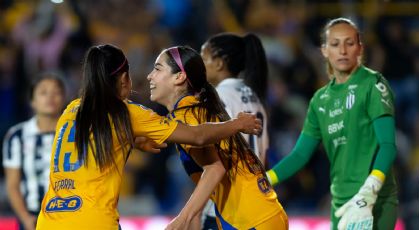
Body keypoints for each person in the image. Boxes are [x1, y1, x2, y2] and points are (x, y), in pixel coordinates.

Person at [35, 44, 261, 230]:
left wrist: (131, 140)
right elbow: (198, 136)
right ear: (124, 79)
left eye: (157, 69)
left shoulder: (71, 110)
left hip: (48, 221)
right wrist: (237, 123)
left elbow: (87, 145)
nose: (149, 76)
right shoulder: (127, 112)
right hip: (93, 220)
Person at [266, 17, 398, 230]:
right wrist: (266, 179)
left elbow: (388, 146)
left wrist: (370, 189)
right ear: (325, 50)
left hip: (374, 201)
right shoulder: (320, 100)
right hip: (341, 204)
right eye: (335, 44)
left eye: (350, 43)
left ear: (360, 48)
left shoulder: (373, 85)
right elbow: (300, 154)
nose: (343, 51)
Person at [147, 45, 287, 230]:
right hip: (262, 213)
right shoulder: (197, 108)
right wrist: (195, 214)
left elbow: (215, 167)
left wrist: (183, 218)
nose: (150, 76)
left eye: (157, 69)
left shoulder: (185, 115)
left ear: (179, 77)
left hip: (248, 219)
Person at [199, 32, 270, 229]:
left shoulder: (218, 97)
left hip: (229, 206)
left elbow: (217, 158)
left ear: (220, 63)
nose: (200, 65)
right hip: (258, 202)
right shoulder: (255, 97)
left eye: (204, 58)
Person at [3, 73, 66, 230]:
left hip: (68, 214)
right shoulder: (17, 136)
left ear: (64, 99)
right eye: (43, 92)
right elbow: (12, 185)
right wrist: (26, 218)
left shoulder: (74, 134)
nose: (50, 97)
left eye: (56, 92)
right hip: (32, 217)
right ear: (32, 101)